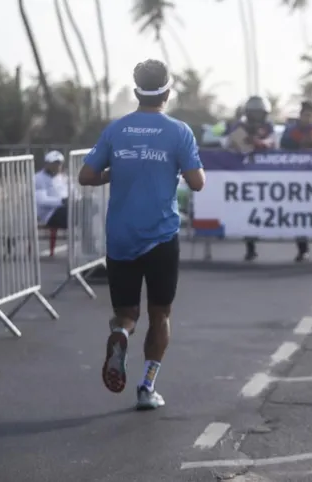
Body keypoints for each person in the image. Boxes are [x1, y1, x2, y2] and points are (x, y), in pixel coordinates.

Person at [78, 59, 206, 410]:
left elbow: (86, 176)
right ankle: (147, 387)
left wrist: (113, 171)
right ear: (167, 91)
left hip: (121, 235)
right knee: (161, 314)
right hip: (162, 236)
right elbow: (197, 183)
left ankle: (121, 334)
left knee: (127, 314)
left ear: (136, 92)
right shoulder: (179, 131)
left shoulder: (116, 130)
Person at [224, 95, 277, 261]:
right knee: (248, 211)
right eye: (253, 113)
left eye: (259, 113)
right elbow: (237, 144)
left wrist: (262, 143)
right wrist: (250, 143)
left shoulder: (268, 127)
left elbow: (273, 142)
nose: (256, 117)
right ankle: (250, 247)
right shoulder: (240, 126)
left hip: (268, 175)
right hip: (245, 176)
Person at [280, 101, 312, 263]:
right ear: (300, 115)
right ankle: (302, 250)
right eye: (304, 114)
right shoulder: (291, 130)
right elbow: (284, 144)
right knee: (298, 215)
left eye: (310, 115)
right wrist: (300, 143)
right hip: (297, 177)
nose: (306, 118)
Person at [34, 150, 69, 229]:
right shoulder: (38, 178)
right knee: (69, 211)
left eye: (59, 163)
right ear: (47, 164)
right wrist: (62, 201)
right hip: (50, 214)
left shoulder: (64, 177)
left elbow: (74, 193)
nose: (57, 166)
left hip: (65, 208)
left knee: (89, 206)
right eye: (54, 163)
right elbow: (42, 201)